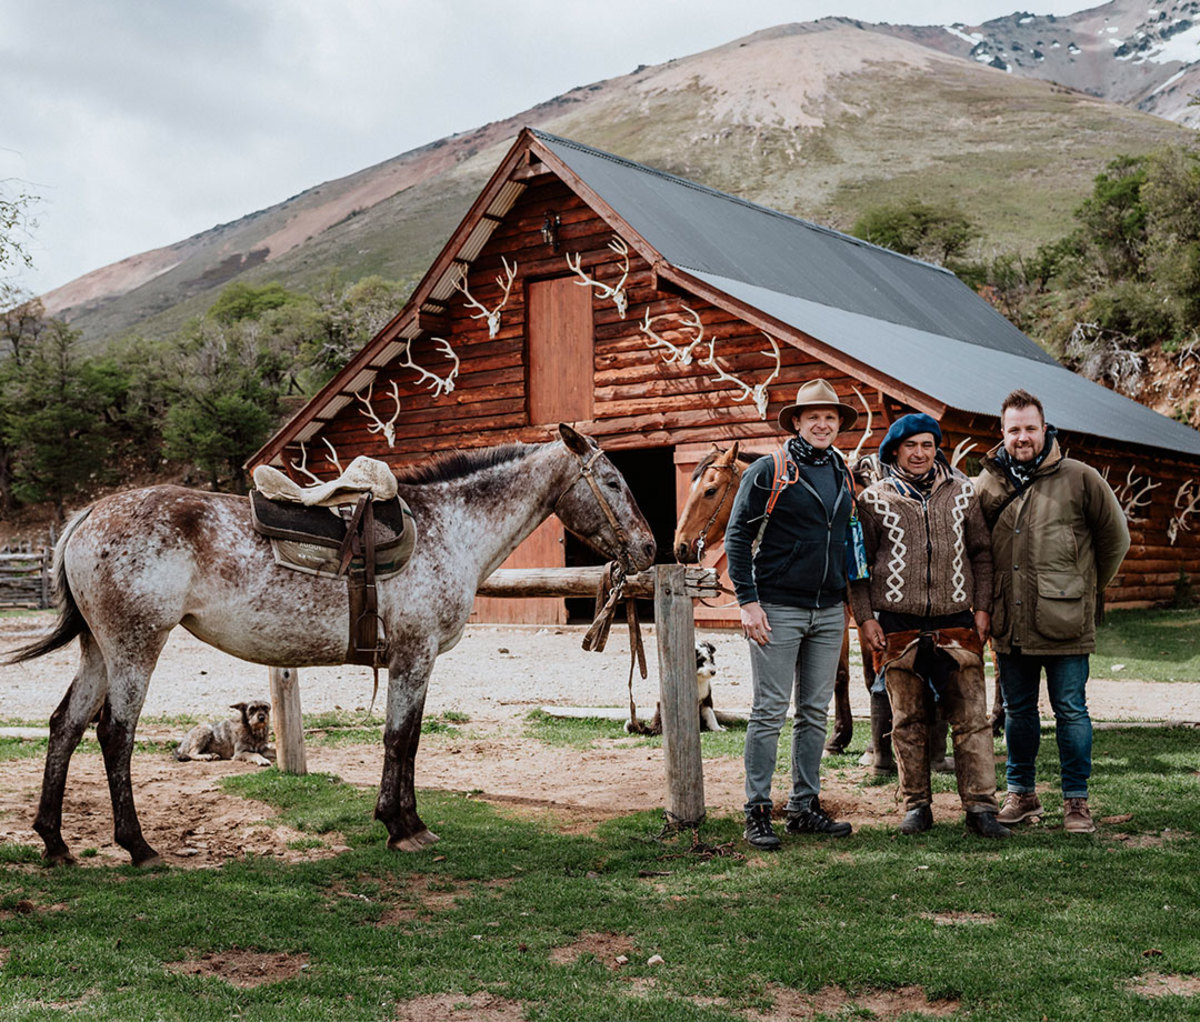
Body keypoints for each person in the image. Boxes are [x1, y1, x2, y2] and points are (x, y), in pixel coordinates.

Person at [977, 389, 1130, 834]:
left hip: (1066, 622)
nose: (1022, 437)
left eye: (1029, 428)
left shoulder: (1081, 478)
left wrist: (1086, 590)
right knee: (1019, 713)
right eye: (1013, 430)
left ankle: (1076, 802)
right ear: (1002, 433)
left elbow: (1114, 539)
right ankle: (1021, 794)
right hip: (1011, 620)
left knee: (1071, 710)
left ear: (1045, 429)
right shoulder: (987, 484)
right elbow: (977, 549)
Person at [851, 414, 1009, 838]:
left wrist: (982, 607)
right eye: (910, 446)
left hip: (957, 619)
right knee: (907, 720)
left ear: (935, 448)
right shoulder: (873, 500)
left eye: (927, 445)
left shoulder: (963, 493)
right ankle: (916, 805)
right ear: (894, 452)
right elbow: (859, 566)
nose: (919, 453)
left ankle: (981, 808)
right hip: (897, 623)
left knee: (972, 717)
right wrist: (865, 617)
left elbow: (981, 553)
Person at [724, 378, 856, 849]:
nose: (822, 424)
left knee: (815, 713)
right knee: (769, 712)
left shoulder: (842, 471)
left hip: (827, 610)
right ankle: (758, 810)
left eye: (830, 417)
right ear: (797, 422)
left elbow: (846, 539)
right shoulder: (768, 470)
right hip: (777, 607)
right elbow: (737, 536)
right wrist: (748, 601)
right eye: (813, 416)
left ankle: (804, 806)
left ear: (838, 425)